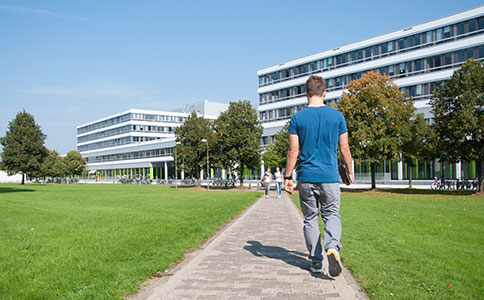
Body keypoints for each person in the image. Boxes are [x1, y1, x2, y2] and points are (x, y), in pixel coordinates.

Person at [284, 75, 353, 277]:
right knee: (331, 215)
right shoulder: (337, 117)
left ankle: (315, 262)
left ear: (306, 93)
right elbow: (345, 148)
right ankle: (332, 248)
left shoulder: (297, 118)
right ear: (324, 93)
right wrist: (349, 170)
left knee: (310, 219)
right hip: (330, 177)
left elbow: (292, 151)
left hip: (306, 177)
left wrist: (288, 177)